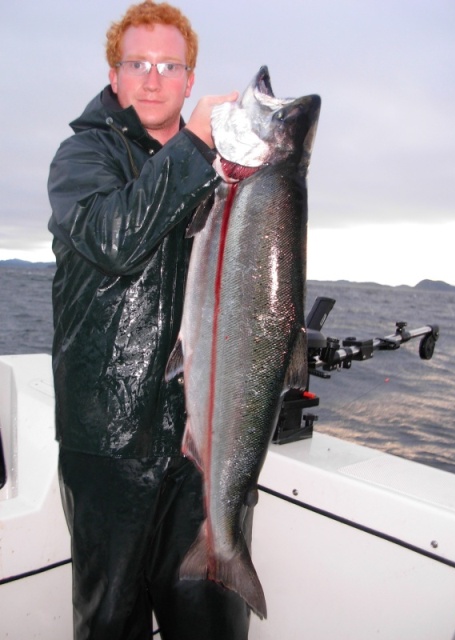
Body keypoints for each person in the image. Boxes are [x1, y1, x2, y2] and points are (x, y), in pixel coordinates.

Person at [47, 2, 250, 639]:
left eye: (170, 65)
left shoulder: (215, 176)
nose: (154, 79)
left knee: (210, 622)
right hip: (108, 453)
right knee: (112, 626)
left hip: (197, 448)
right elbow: (114, 237)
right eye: (138, 63)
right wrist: (195, 142)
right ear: (115, 76)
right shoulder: (82, 158)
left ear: (191, 80)